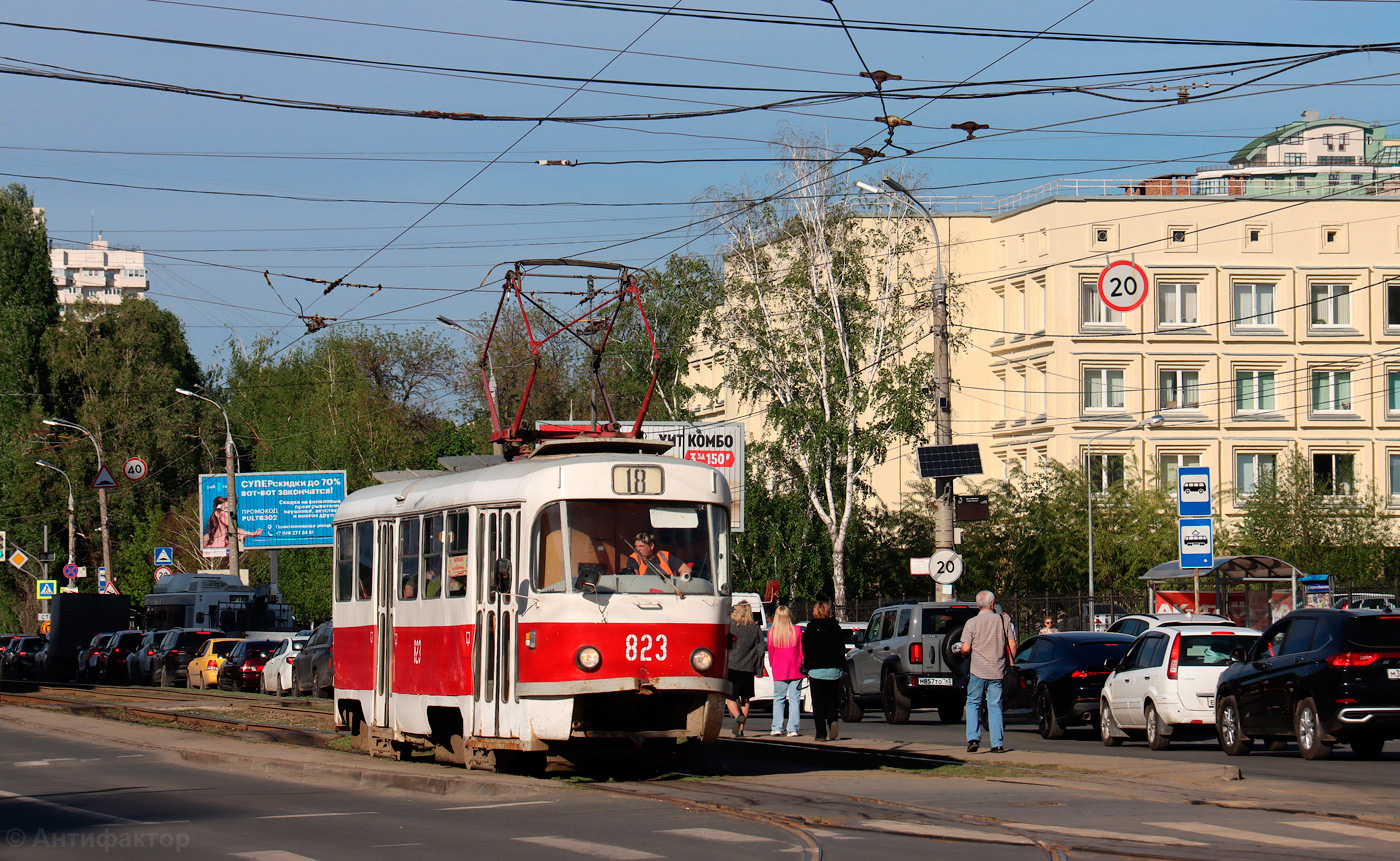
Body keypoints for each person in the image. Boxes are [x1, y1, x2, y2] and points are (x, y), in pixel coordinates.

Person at [957, 590, 1017, 754]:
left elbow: (966, 648)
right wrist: (1011, 663)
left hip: (978, 670)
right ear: (992, 604)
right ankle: (997, 743)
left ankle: (973, 739)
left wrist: (962, 651)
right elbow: (1012, 645)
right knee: (995, 705)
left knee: (973, 703)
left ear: (978, 605)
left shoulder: (972, 623)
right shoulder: (1002, 620)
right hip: (997, 670)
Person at [801, 601, 847, 741]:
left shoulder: (811, 629)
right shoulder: (835, 627)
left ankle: (820, 733)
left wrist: (807, 666)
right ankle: (833, 720)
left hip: (816, 670)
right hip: (834, 669)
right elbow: (841, 648)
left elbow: (806, 650)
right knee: (832, 699)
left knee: (818, 703)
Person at [725, 601, 765, 737]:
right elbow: (760, 650)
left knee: (729, 697)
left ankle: (737, 716)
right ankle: (741, 729)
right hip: (749, 667)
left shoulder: (730, 627)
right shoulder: (755, 629)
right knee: (745, 699)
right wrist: (759, 668)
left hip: (732, 666)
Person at [767, 605, 804, 737]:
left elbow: (771, 653)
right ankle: (792, 728)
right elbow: (801, 651)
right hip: (795, 668)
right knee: (794, 699)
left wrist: (773, 665)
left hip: (779, 668)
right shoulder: (797, 630)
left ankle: (777, 727)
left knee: (778, 698)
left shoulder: (772, 633)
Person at [622, 532, 693, 578]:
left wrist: (681, 584)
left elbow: (686, 569)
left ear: (651, 546)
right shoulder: (634, 558)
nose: (637, 549)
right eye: (636, 546)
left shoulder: (665, 556)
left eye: (641, 546)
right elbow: (633, 576)